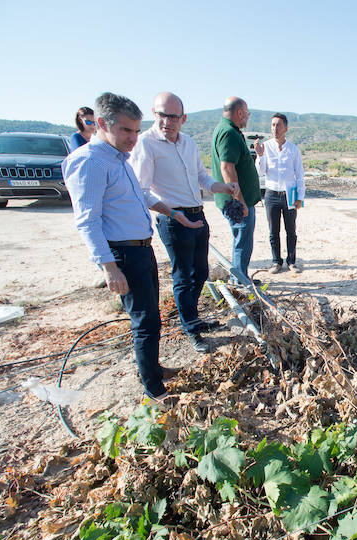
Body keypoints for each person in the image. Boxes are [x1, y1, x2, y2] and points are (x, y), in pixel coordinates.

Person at [63, 92, 203, 404]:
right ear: (101, 123)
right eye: (126, 130)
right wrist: (109, 266)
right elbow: (87, 221)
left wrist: (172, 212)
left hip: (142, 249)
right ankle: (154, 391)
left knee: (152, 317)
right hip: (123, 254)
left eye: (137, 131)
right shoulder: (89, 162)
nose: (133, 138)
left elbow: (141, 196)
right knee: (145, 322)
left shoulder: (119, 158)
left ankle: (152, 369)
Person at [129, 92, 240, 353]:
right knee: (182, 277)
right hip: (173, 219)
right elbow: (141, 190)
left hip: (197, 214)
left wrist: (222, 186)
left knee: (200, 272)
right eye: (161, 115)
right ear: (154, 114)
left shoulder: (188, 143)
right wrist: (171, 212)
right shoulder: (146, 144)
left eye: (173, 116)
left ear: (183, 118)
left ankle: (191, 318)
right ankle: (191, 327)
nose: (166, 121)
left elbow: (202, 177)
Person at [210, 96, 262, 286]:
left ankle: (240, 277)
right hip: (237, 201)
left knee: (240, 239)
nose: (247, 117)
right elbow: (227, 168)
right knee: (242, 241)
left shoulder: (226, 130)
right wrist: (239, 201)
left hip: (235, 199)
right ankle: (239, 282)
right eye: (246, 113)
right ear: (239, 112)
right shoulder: (228, 133)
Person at [254, 113, 305, 274]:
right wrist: (259, 155)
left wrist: (300, 198)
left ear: (286, 128)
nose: (275, 128)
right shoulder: (266, 147)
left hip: (290, 193)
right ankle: (276, 261)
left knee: (291, 229)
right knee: (273, 230)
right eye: (273, 125)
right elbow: (261, 172)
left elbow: (300, 175)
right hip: (271, 193)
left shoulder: (293, 149)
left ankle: (292, 261)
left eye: (278, 125)